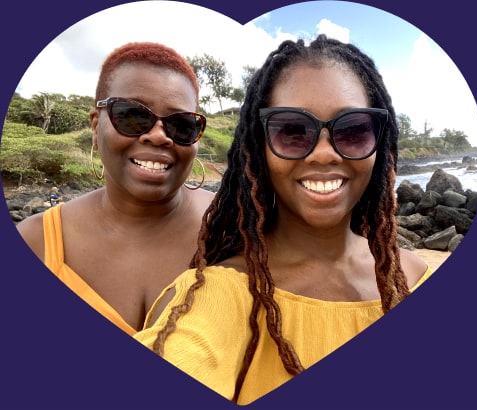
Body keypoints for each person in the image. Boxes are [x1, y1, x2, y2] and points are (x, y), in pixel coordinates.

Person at [133, 35, 432, 404]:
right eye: (292, 130)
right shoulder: (218, 296)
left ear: (379, 143)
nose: (323, 154)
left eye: (353, 130)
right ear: (259, 148)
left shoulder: (415, 280)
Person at [16, 42, 214, 335]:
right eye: (132, 116)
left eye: (181, 125)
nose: (158, 136)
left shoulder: (237, 227)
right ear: (96, 126)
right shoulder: (36, 243)